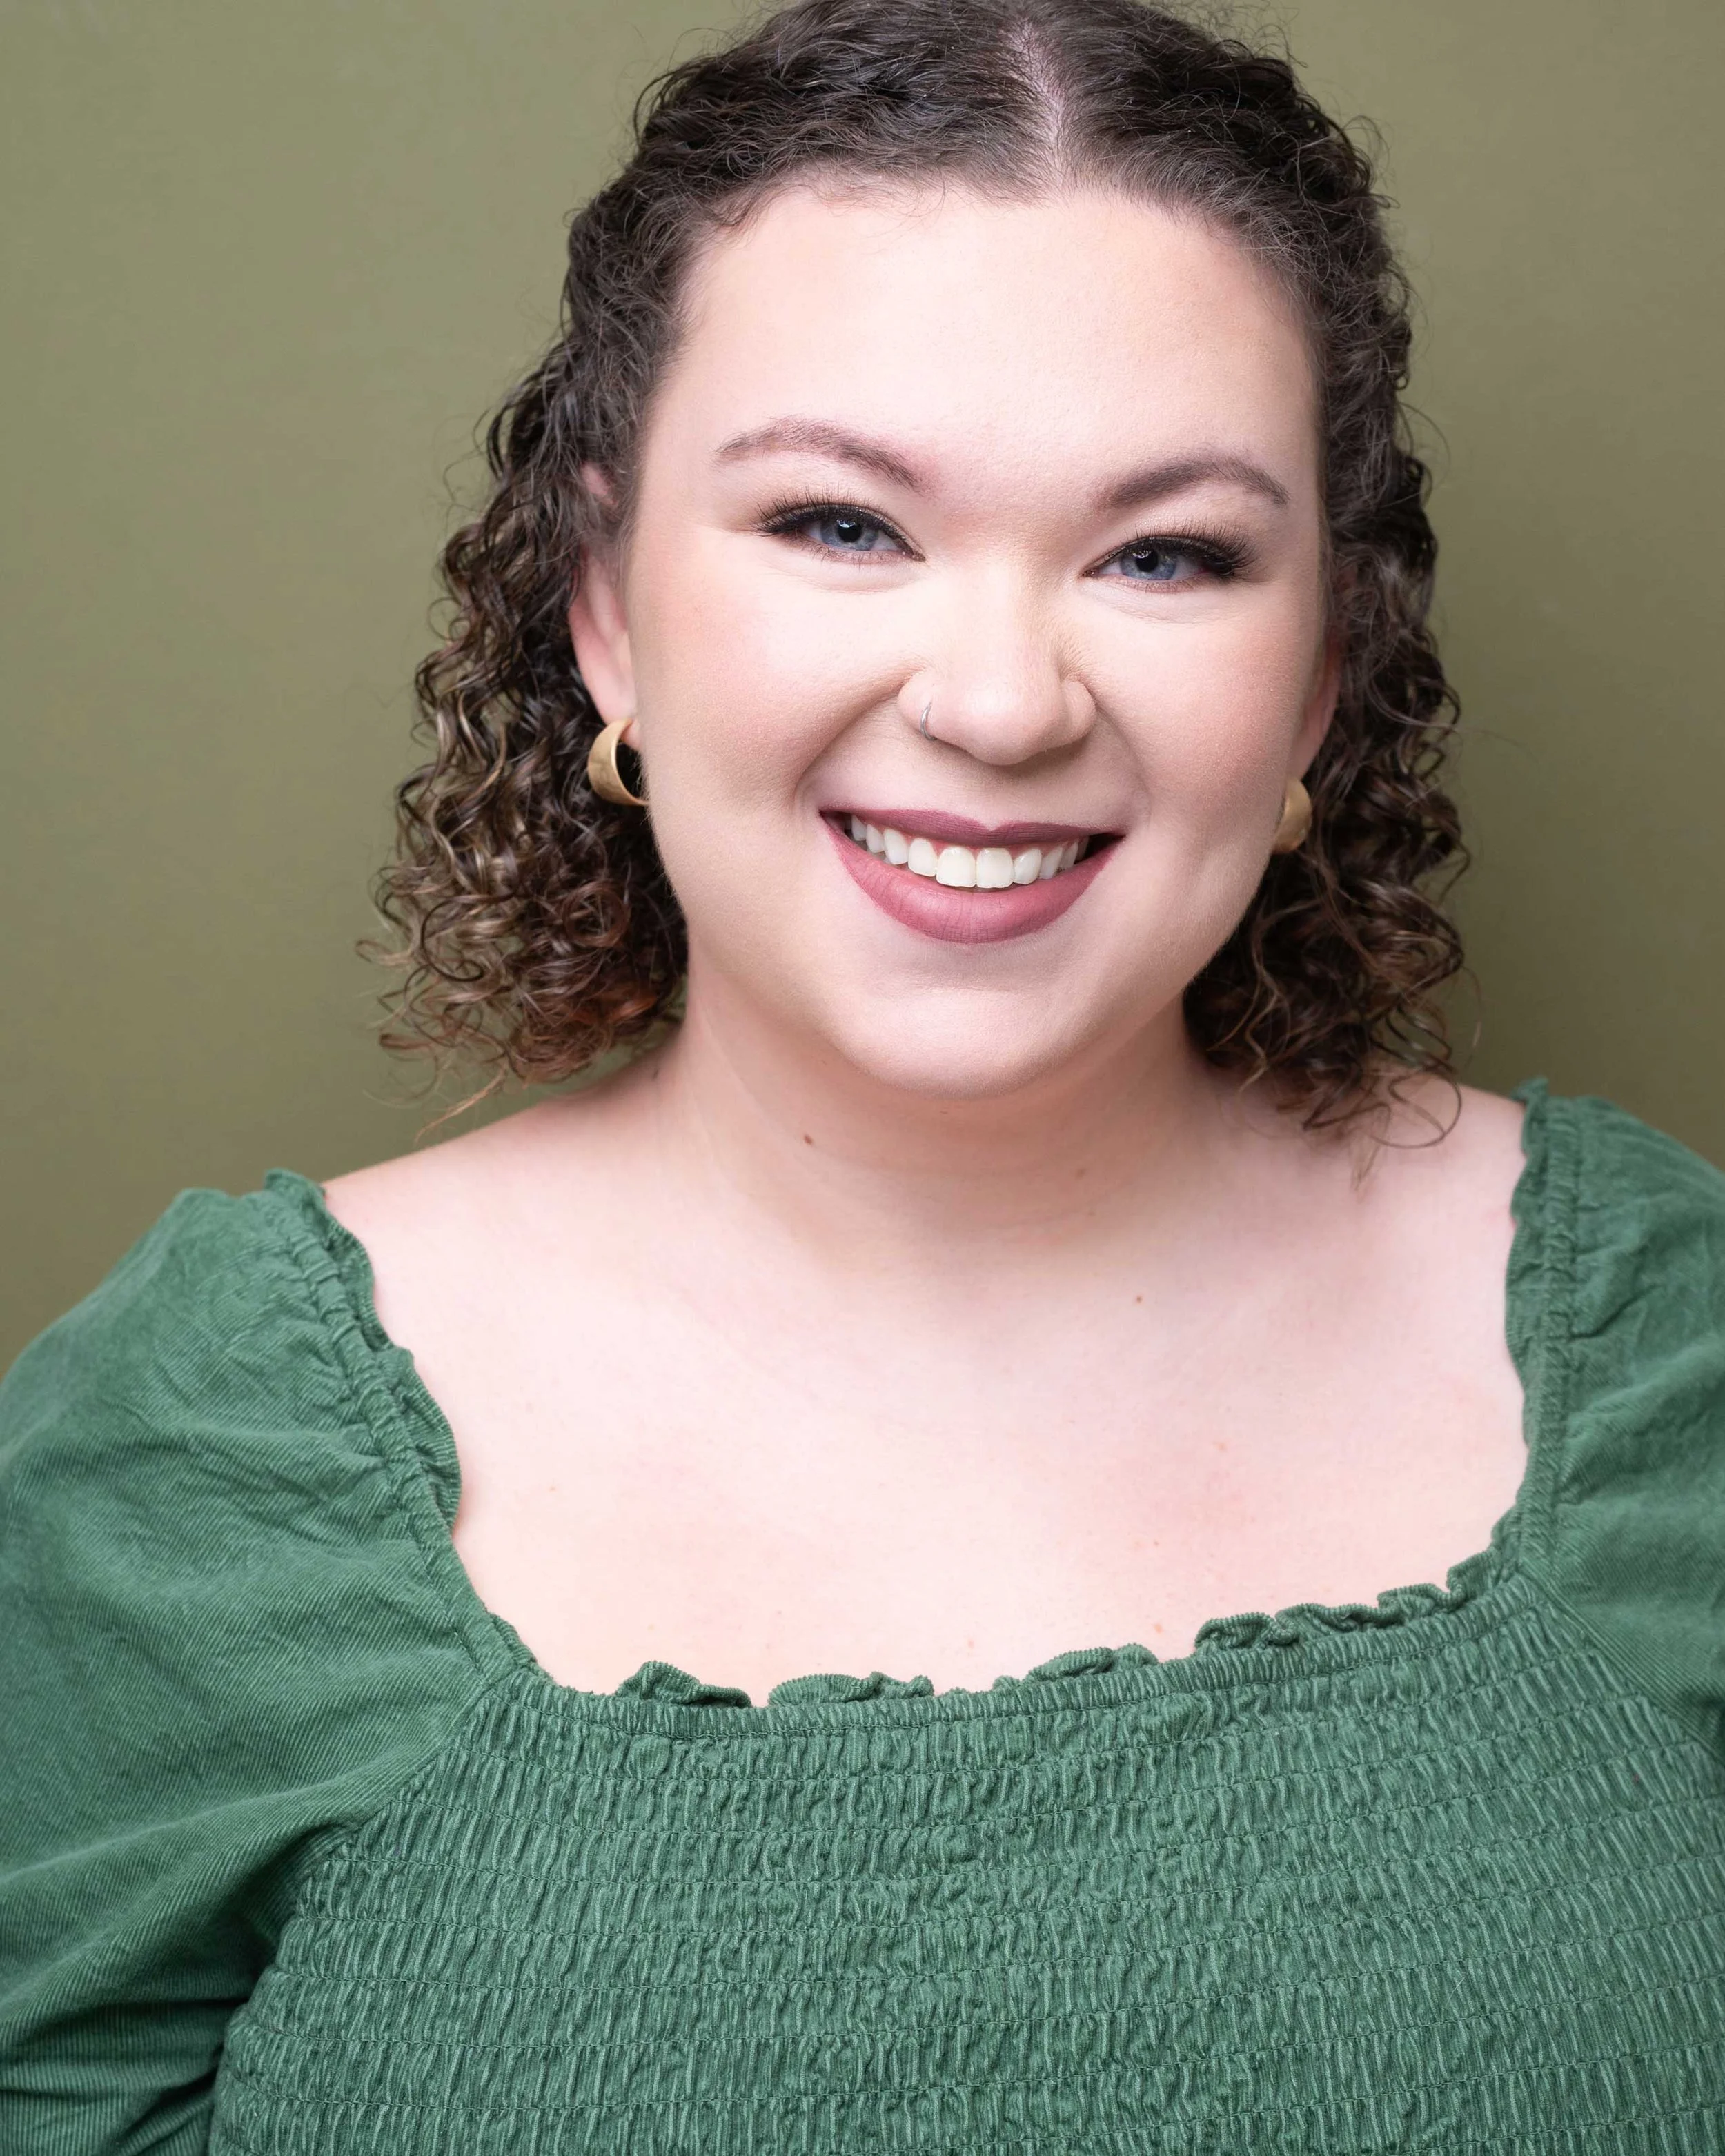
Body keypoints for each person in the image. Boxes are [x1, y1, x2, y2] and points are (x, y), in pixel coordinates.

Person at [4, 0, 1723, 2146]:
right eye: (836, 523)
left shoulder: (1675, 1357)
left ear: (1316, 676)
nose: (1000, 702)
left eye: (1167, 553)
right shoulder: (209, 1451)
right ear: (604, 609)